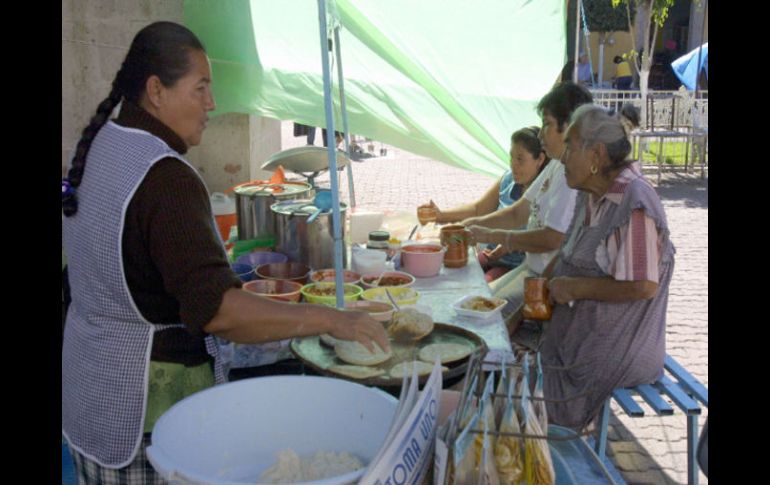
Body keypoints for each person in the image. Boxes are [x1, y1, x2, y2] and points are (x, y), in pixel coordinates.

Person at [61, 22, 389, 483]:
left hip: (88, 393)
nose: (211, 103)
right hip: (145, 412)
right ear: (156, 91)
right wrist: (336, 319)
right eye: (200, 89)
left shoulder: (101, 143)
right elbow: (219, 312)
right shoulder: (165, 178)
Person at [539, 104, 675, 430]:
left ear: (596, 155)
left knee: (529, 399)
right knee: (515, 364)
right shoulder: (591, 193)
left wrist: (574, 287)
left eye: (570, 146)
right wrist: (541, 286)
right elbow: (568, 250)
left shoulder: (635, 200)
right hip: (581, 332)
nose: (563, 156)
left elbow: (644, 285)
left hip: (621, 346)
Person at [464, 82, 592, 349]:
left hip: (542, 279)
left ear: (570, 126)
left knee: (482, 320)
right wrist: (473, 224)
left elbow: (552, 239)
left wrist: (495, 236)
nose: (542, 134)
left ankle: (491, 376)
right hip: (531, 269)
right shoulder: (556, 164)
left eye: (546, 124)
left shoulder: (573, 175)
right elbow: (519, 211)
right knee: (476, 302)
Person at [418, 127, 550, 282]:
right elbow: (478, 209)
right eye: (511, 157)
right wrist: (442, 216)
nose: (514, 165)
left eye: (520, 159)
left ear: (540, 159)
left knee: (481, 287)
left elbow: (544, 238)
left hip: (514, 266)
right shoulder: (508, 179)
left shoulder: (546, 192)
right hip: (489, 255)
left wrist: (510, 245)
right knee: (449, 274)